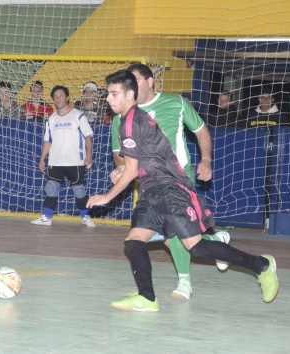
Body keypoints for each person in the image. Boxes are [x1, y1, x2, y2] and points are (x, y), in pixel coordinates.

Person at [87, 70, 279, 312]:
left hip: (172, 188)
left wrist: (107, 196)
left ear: (130, 94)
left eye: (114, 94)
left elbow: (132, 169)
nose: (109, 99)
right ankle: (147, 297)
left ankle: (261, 265)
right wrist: (122, 169)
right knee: (134, 241)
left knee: (196, 247)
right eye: (108, 94)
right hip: (151, 190)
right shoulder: (126, 120)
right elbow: (132, 163)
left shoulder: (133, 120)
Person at [110, 63, 227, 301]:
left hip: (178, 176)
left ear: (150, 81)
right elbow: (118, 152)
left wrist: (206, 160)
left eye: (136, 80)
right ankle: (216, 242)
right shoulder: (121, 115)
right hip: (147, 181)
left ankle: (184, 281)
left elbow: (202, 131)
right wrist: (120, 168)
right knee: (170, 233)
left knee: (172, 230)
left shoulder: (176, 103)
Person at [31, 85, 96, 228]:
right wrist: (42, 159)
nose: (58, 98)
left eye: (61, 96)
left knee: (79, 190)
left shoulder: (78, 115)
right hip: (55, 161)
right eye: (55, 96)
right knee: (51, 188)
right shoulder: (52, 119)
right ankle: (46, 217)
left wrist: (89, 155)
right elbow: (47, 140)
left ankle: (86, 216)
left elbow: (88, 138)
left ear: (67, 98)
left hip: (75, 161)